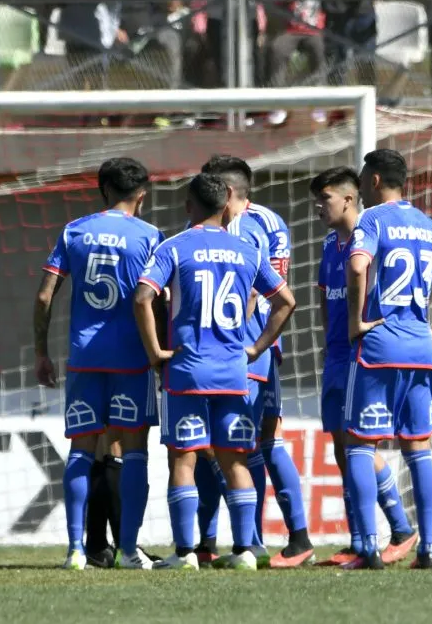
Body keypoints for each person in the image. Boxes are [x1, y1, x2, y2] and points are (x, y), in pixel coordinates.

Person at [134, 172, 296, 571]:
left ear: (189, 207)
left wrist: (155, 352)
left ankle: (186, 553)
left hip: (187, 372)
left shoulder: (174, 247)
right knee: (235, 460)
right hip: (233, 373)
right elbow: (286, 301)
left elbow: (142, 297)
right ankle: (244, 551)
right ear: (227, 205)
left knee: (184, 460)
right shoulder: (248, 251)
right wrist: (256, 348)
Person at [342, 149, 432, 569]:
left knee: (360, 445)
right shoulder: (430, 227)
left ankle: (367, 547)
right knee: (417, 447)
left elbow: (358, 265)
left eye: (364, 178)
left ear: (377, 179)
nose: (361, 187)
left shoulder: (371, 220)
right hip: (420, 350)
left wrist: (355, 321)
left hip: (380, 345)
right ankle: (429, 548)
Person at [35, 157, 163, 570]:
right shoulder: (150, 236)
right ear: (141, 195)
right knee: (134, 452)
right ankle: (128, 550)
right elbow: (156, 300)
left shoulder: (74, 231)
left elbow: (43, 296)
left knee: (81, 450)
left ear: (102, 189)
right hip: (131, 360)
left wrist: (41, 351)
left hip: (84, 359)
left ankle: (75, 550)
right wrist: (159, 353)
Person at [200, 155, 313, 568]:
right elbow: (276, 284)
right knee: (265, 441)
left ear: (224, 193)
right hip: (269, 347)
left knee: (217, 445)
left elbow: (249, 289)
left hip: (239, 349)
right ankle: (293, 538)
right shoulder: (273, 221)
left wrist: (230, 331)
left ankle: (232, 542)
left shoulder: (233, 227)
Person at [308, 166, 416, 567]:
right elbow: (324, 295)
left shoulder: (369, 239)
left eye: (325, 199)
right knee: (342, 448)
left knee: (360, 446)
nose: (318, 207)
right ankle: (357, 542)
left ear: (349, 199)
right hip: (334, 355)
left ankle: (401, 529)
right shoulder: (327, 244)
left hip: (361, 354)